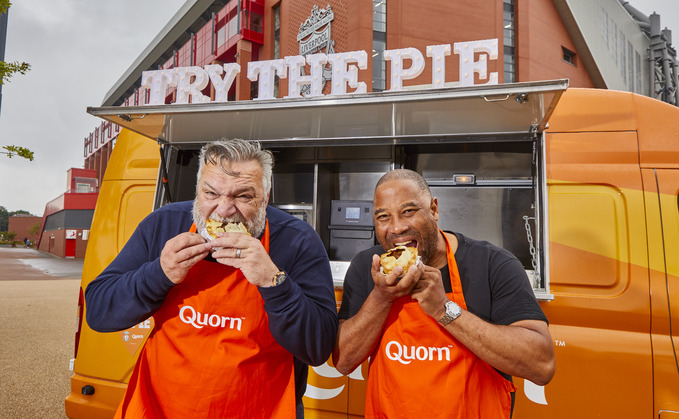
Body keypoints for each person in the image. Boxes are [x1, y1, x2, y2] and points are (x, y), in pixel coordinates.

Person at [85, 138, 338, 418]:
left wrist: (274, 282)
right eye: (211, 194)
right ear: (197, 192)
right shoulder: (164, 224)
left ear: (265, 198)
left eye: (243, 196)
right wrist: (159, 273)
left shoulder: (297, 240)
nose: (224, 210)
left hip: (261, 408)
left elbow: (319, 348)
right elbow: (98, 312)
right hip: (159, 408)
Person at [332, 169, 555, 418]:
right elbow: (343, 361)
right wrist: (381, 297)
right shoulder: (367, 266)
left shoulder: (493, 264)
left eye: (408, 211)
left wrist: (444, 310)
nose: (396, 228)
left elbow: (541, 366)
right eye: (383, 217)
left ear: (434, 209)